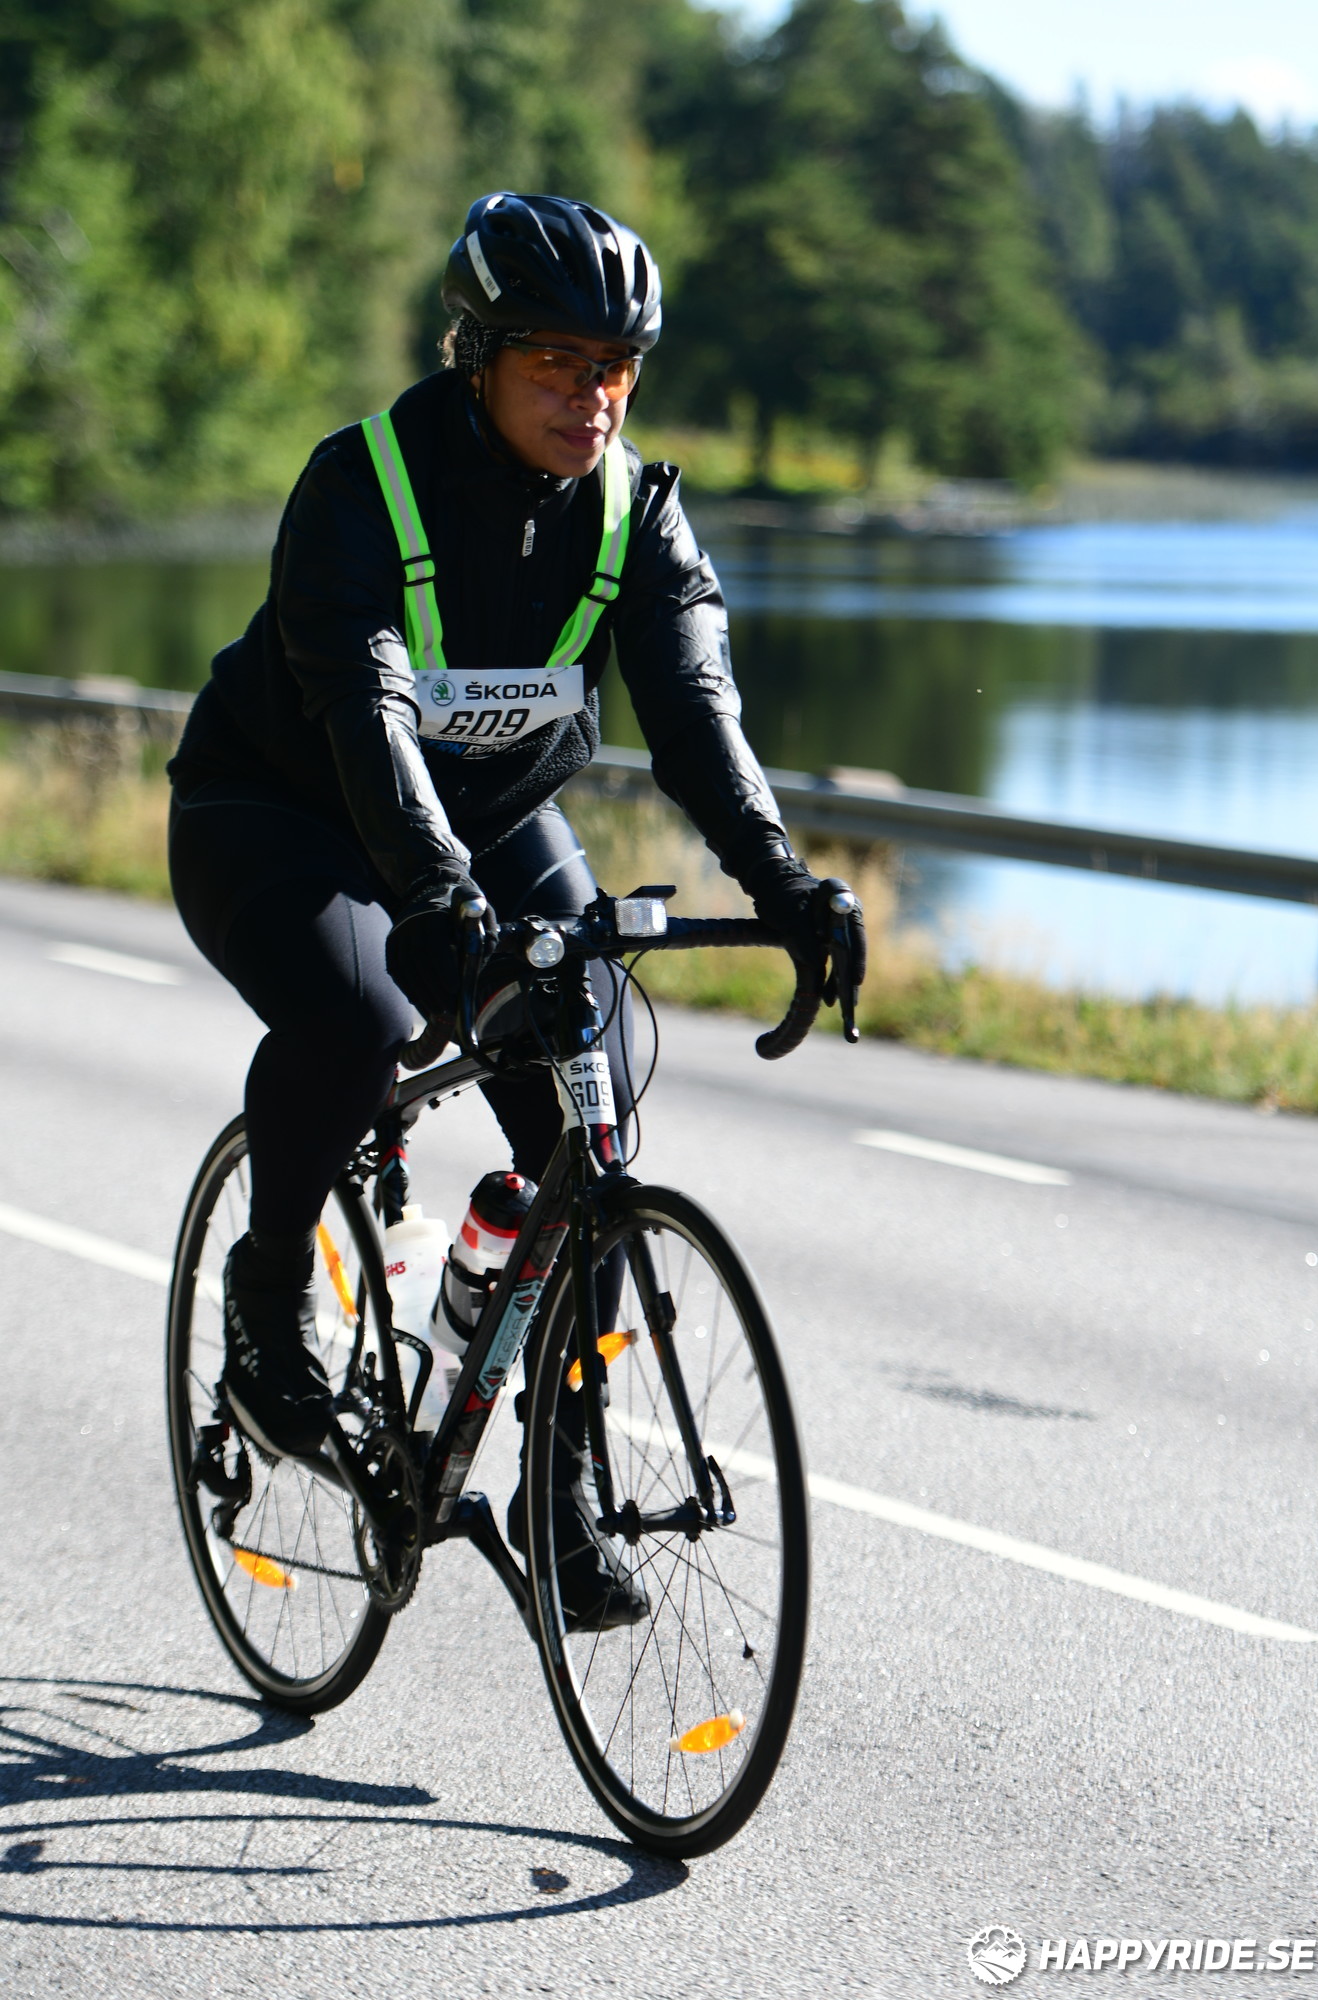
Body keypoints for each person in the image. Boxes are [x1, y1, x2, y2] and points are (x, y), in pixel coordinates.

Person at [167, 190, 866, 1623]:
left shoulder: (638, 514)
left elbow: (697, 714)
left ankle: (563, 1479)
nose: (591, 396)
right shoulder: (362, 484)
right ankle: (266, 1291)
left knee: (583, 1105)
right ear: (475, 356)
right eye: (556, 361)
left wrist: (784, 880)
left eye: (618, 367)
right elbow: (364, 709)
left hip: (488, 821)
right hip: (279, 813)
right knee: (357, 1022)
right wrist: (432, 897)